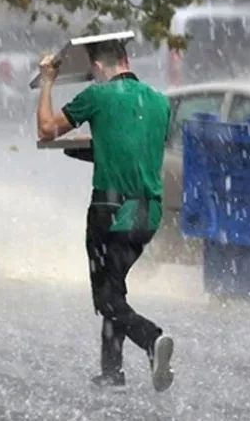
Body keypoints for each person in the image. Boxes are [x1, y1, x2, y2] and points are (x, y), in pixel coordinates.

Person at [35, 39, 175, 392]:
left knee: (106, 298)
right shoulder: (160, 102)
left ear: (97, 67)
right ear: (126, 59)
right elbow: (135, 149)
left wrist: (48, 79)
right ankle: (112, 371)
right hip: (148, 213)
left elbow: (46, 129)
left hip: (110, 211)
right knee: (115, 288)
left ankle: (151, 339)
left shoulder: (97, 96)